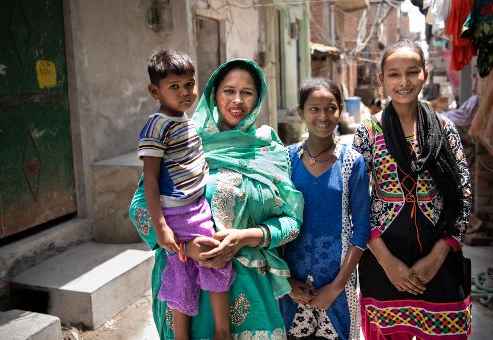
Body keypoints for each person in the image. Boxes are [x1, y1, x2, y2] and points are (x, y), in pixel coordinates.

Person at [130, 58, 304, 339]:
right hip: (190, 297)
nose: (237, 100)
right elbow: (140, 207)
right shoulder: (183, 139)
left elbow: (292, 221)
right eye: (229, 91)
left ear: (258, 98)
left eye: (247, 92)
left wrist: (244, 237)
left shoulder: (268, 148)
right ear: (214, 94)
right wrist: (185, 246)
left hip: (252, 297)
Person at [353, 40, 473, 339]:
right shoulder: (367, 133)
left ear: (425, 74)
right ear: (382, 79)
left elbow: (463, 195)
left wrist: (437, 256)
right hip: (384, 261)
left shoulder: (444, 129)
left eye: (412, 72)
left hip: (440, 257)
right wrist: (386, 261)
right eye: (394, 74)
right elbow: (354, 201)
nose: (403, 82)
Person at [136, 48, 234, 340]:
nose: (185, 92)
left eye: (189, 84)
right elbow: (150, 180)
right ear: (155, 91)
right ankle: (208, 333)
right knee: (203, 264)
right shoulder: (157, 126)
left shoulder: (187, 121)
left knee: (203, 264)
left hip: (196, 206)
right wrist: (161, 227)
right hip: (178, 213)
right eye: (174, 87)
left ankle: (217, 331)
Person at [279, 78, 371, 340]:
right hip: (291, 285)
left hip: (337, 285)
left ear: (340, 109)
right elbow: (274, 221)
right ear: (301, 112)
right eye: (314, 109)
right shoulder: (285, 160)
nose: (323, 116)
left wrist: (336, 287)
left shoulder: (353, 163)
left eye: (330, 108)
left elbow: (361, 230)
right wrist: (285, 282)